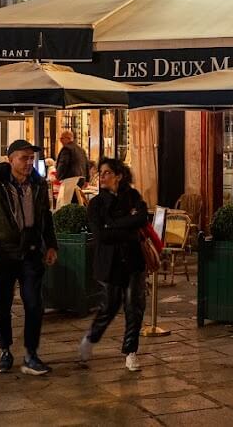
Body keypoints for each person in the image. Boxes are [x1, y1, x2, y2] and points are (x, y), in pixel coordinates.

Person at [0, 139, 58, 377]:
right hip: (3, 254)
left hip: (31, 252)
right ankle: (5, 350)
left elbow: (46, 218)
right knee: (3, 305)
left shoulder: (40, 184)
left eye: (32, 158)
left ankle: (31, 354)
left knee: (34, 304)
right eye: (24, 158)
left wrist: (51, 245)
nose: (29, 162)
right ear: (10, 160)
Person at [80, 157, 148, 372]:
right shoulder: (96, 204)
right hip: (109, 262)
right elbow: (101, 236)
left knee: (133, 305)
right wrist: (127, 227)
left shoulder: (133, 196)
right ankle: (91, 339)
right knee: (109, 306)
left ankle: (131, 352)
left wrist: (113, 224)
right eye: (100, 172)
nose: (102, 176)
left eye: (107, 172)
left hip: (133, 260)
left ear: (119, 176)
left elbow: (142, 219)